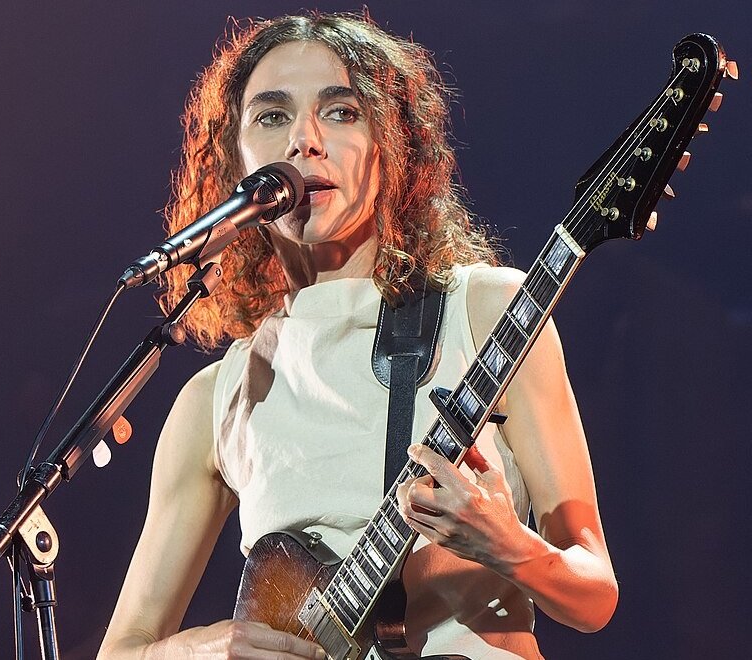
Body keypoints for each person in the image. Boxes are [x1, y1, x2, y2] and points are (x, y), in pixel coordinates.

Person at [98, 12, 617, 659]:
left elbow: (594, 596)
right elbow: (123, 650)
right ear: (236, 157)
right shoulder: (216, 398)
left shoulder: (487, 310)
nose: (305, 140)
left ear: (388, 144)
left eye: (340, 112)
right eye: (271, 115)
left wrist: (506, 544)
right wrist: (196, 650)